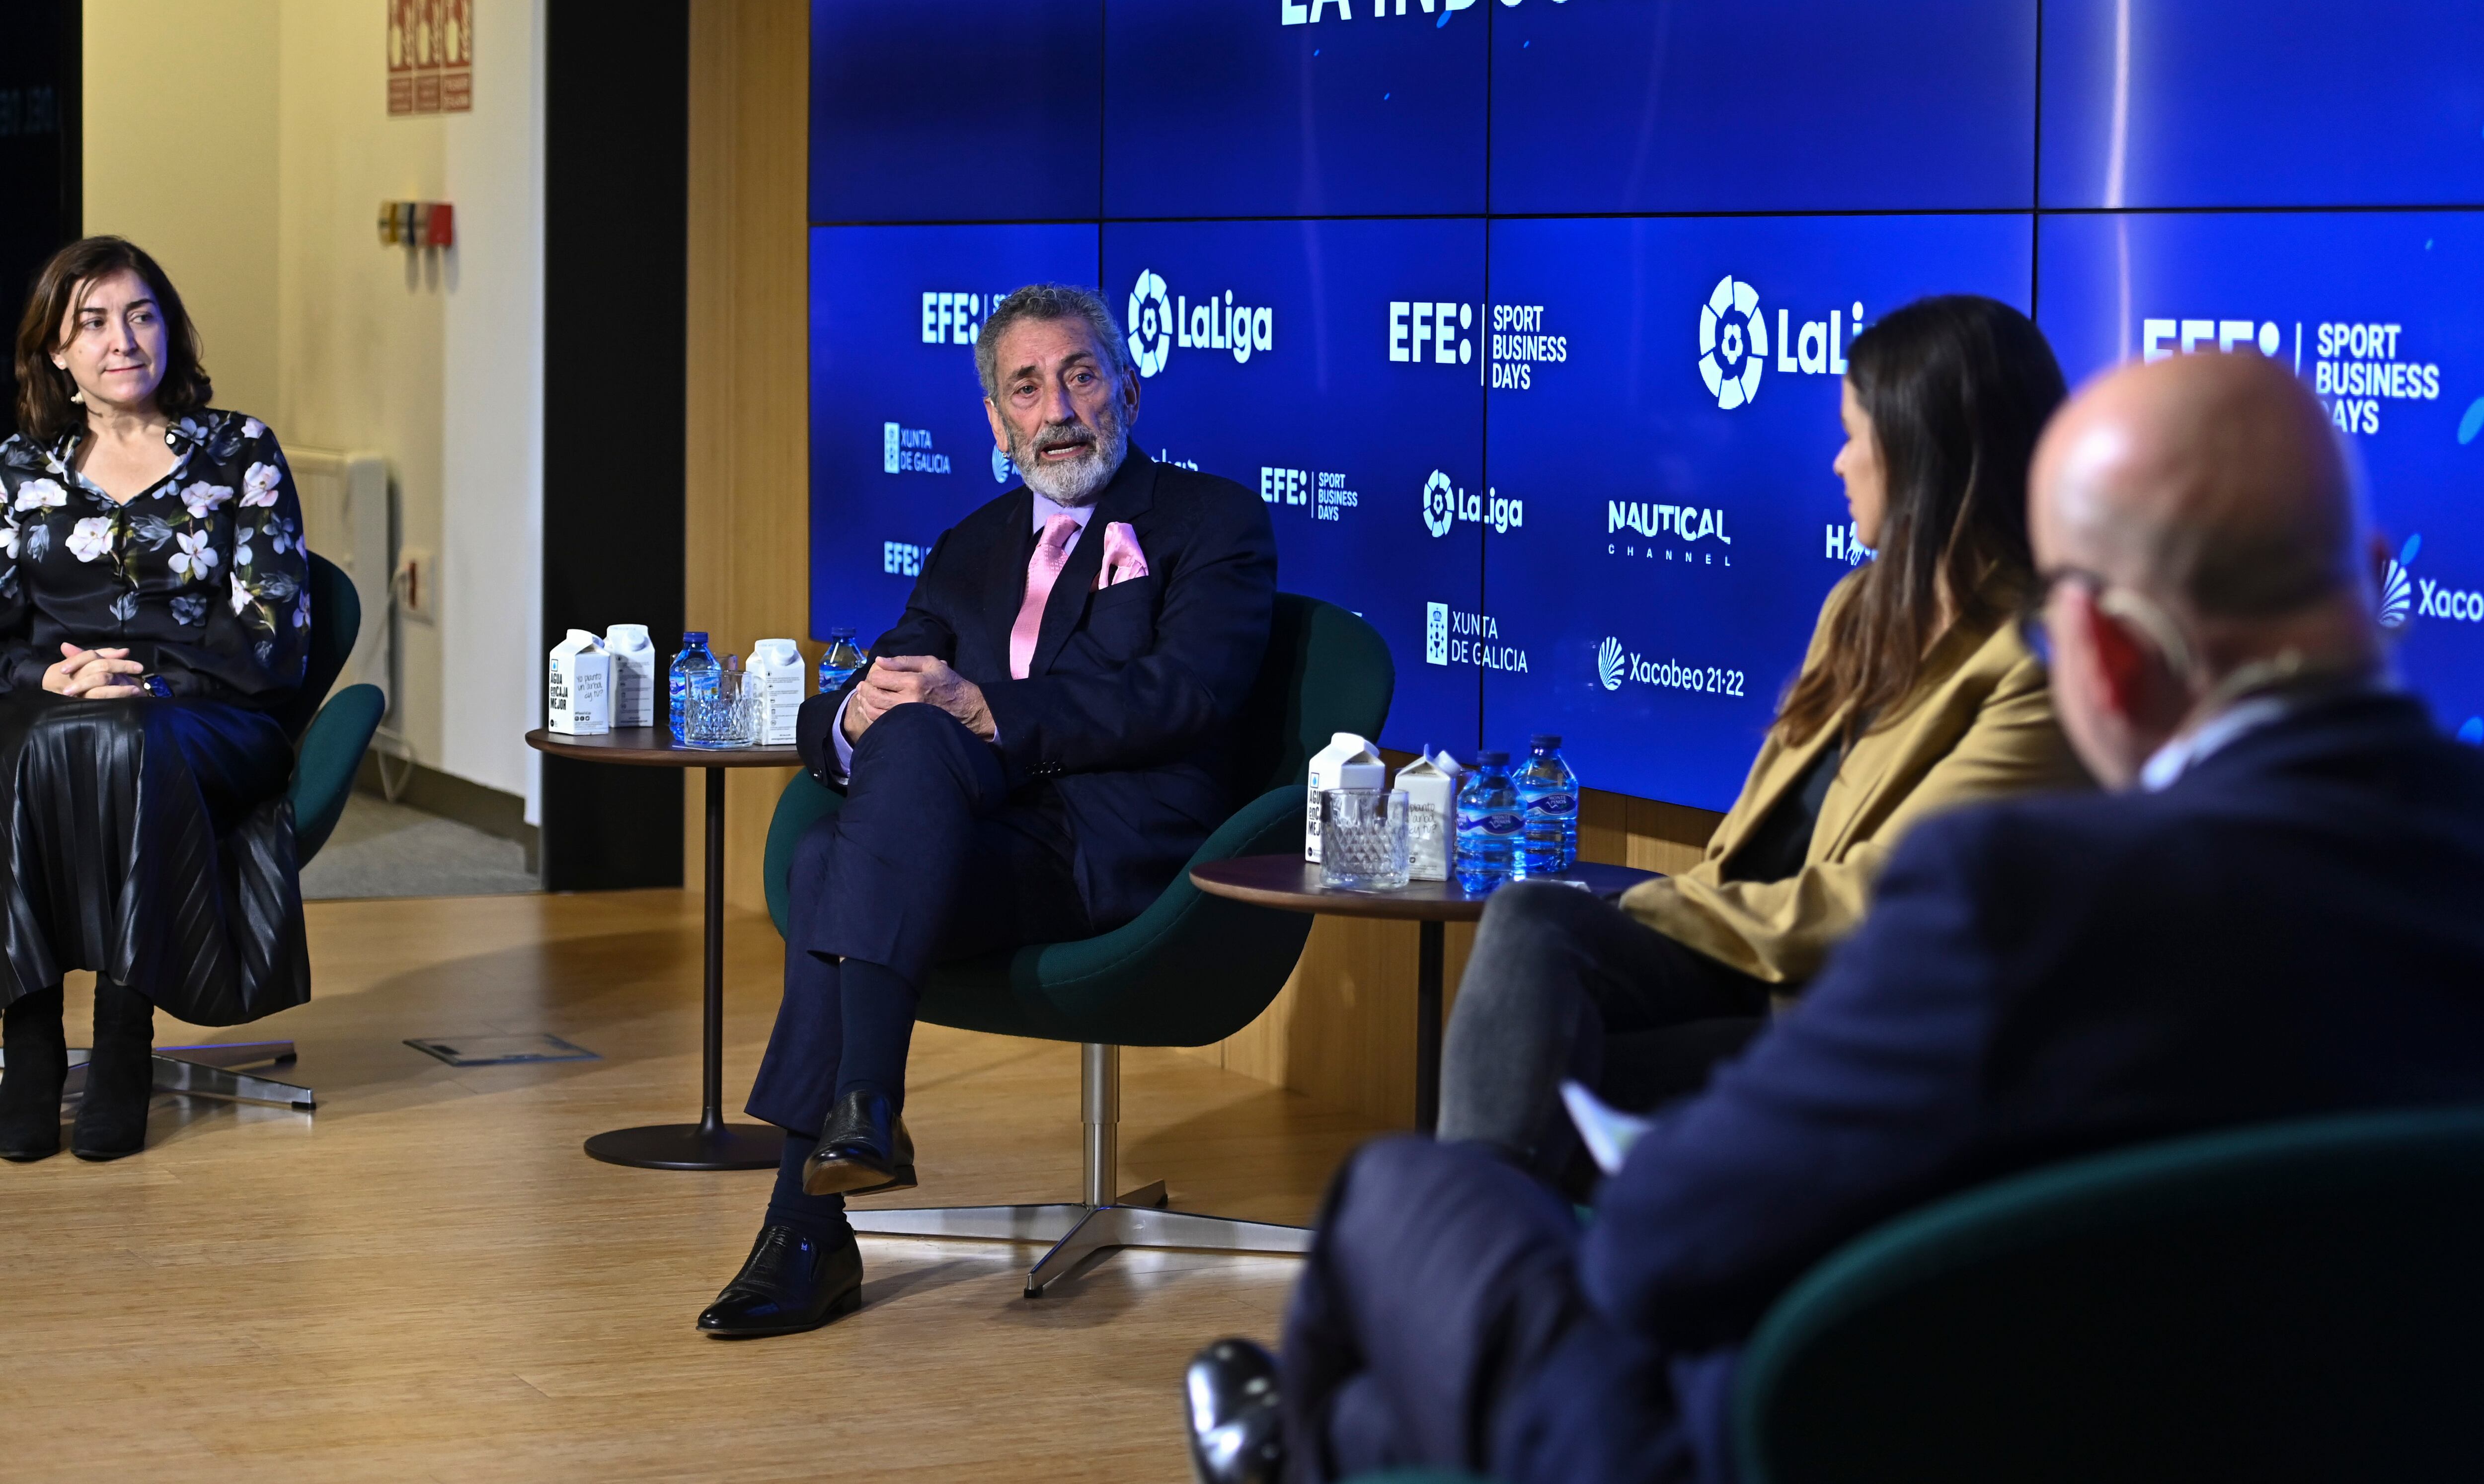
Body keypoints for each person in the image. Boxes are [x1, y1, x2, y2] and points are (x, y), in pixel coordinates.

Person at [1184, 349, 2484, 1484]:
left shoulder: (2018, 906)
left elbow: (1655, 1246)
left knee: (1403, 1194)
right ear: (2373, 581)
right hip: (2288, 1420)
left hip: (1827, 1431)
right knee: (1378, 1379)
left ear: (2106, 652)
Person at [698, 283, 1277, 1338]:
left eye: (1080, 375)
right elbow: (888, 676)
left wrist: (982, 708)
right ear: (996, 422)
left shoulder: (1211, 520)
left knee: (842, 855)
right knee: (879, 772)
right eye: (1027, 385)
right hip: (987, 843)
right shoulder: (970, 545)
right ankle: (856, 1120)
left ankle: (810, 1220)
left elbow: (1185, 694)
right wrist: (851, 715)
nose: (1057, 407)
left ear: (1128, 393)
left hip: (1122, 854)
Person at [1440, 295, 2087, 1181]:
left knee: (1547, 1086)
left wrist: (1652, 907)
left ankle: (1467, 1261)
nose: (1838, 462)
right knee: (1532, 919)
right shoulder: (1861, 608)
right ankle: (1482, 1264)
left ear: (1924, 452)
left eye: (1854, 434)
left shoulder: (2036, 660)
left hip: (1855, 1015)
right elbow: (1751, 841)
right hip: (1747, 955)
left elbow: (1894, 902)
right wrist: (1665, 909)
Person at [0, 236, 313, 1165]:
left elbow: (274, 636)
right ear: (56, 351)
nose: (121, 340)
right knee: (39, 739)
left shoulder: (240, 452)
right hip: (60, 711)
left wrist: (153, 679)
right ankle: (30, 1036)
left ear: (169, 330)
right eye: (91, 322)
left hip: (209, 714)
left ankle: (125, 1031)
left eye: (140, 316)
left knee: (127, 734)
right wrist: (50, 675)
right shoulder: (21, 469)